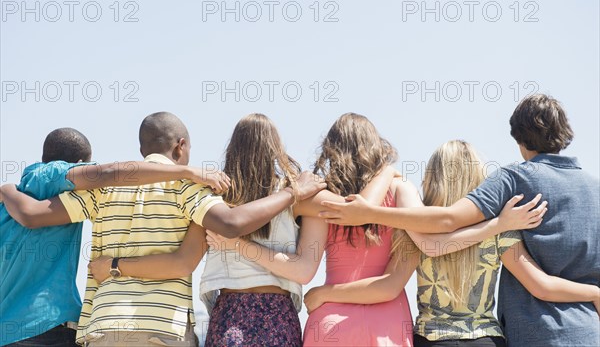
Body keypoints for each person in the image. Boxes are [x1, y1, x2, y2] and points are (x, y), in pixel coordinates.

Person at [1, 112, 326, 347]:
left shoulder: (102, 190)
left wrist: (9, 190)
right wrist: (292, 193)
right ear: (181, 146)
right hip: (163, 326)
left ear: (143, 148)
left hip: (104, 325)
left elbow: (37, 214)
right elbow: (228, 227)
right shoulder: (191, 187)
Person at [87, 113, 396, 346]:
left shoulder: (215, 197)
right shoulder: (295, 195)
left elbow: (184, 260)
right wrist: (385, 173)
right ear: (277, 148)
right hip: (277, 314)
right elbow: (352, 209)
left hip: (227, 313)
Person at [319, 95, 600, 346]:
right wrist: (498, 225)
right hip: (489, 339)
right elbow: (539, 284)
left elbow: (433, 244)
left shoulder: (417, 224)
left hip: (432, 338)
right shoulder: (505, 229)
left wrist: (378, 194)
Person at [0, 127, 230, 347]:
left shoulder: (7, 207)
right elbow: (110, 173)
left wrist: (8, 190)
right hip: (48, 324)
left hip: (13, 331)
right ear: (80, 167)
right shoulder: (52, 173)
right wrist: (187, 172)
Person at [208, 113, 416, 346]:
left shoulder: (212, 197)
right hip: (288, 317)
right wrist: (386, 171)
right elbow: (357, 211)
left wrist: (235, 244)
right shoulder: (303, 197)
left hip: (246, 316)